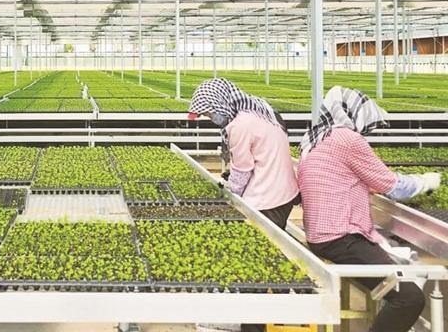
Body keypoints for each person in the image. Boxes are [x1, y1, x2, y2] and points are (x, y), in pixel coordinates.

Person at [298, 86, 440, 332]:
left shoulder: (314, 139)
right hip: (343, 239)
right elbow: (394, 187)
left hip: (320, 236)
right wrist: (425, 182)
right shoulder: (348, 140)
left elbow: (338, 178)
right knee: (409, 298)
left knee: (400, 262)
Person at [188, 78, 300, 229]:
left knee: (263, 238)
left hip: (268, 197)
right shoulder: (258, 111)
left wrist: (230, 196)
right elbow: (259, 154)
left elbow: (242, 169)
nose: (211, 118)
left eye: (209, 113)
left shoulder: (240, 125)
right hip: (283, 190)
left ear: (219, 103)